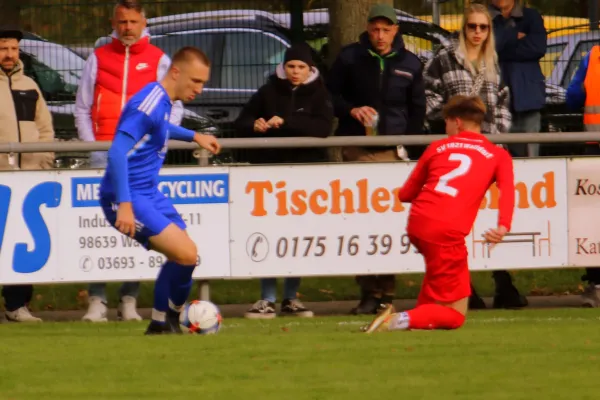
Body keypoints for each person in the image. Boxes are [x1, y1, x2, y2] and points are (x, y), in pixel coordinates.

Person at [363, 94, 515, 333]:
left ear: (457, 122)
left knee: (439, 288)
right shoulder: (497, 155)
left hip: (419, 222)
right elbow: (508, 192)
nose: (446, 127)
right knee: (455, 316)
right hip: (446, 231)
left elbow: (405, 194)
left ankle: (416, 322)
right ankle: (397, 320)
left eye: (446, 122)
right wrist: (503, 226)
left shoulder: (437, 147)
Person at [76, 0, 184, 323]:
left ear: (143, 22)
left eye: (133, 22)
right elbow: (82, 107)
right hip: (104, 155)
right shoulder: (96, 58)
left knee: (138, 224)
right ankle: (96, 299)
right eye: (122, 22)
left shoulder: (159, 60)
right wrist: (93, 146)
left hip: (140, 160)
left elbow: (173, 106)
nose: (127, 28)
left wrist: (155, 142)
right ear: (113, 22)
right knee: (100, 226)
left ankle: (129, 298)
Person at [99, 46, 220, 335]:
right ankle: (174, 320)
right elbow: (116, 152)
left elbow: (160, 128)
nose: (200, 90)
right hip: (126, 194)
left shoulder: (162, 101)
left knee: (184, 256)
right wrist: (125, 204)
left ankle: (159, 323)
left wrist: (194, 136)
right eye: (196, 81)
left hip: (148, 192)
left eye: (203, 83)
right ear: (175, 72)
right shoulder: (150, 102)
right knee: (187, 254)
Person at [424, 3, 526, 310]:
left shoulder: (494, 61)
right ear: (463, 28)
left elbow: (505, 102)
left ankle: (502, 280)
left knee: (494, 216)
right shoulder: (443, 59)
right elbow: (429, 97)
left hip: (490, 151)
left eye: (483, 27)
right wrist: (455, 128)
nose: (478, 33)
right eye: (472, 27)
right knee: (458, 221)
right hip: (458, 156)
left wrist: (495, 135)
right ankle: (464, 284)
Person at [326, 3, 426, 315]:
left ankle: (387, 293)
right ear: (368, 29)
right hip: (357, 148)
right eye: (374, 29)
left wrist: (408, 146)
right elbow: (330, 96)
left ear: (396, 30)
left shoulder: (411, 63)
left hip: (393, 154)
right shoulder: (349, 57)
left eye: (386, 29)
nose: (379, 35)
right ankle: (369, 291)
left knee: (389, 223)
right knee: (362, 223)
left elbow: (418, 108)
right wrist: (350, 110)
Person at [234, 42, 333, 319]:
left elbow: (323, 127)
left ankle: (291, 296)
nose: (295, 72)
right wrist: (254, 125)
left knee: (296, 235)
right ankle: (267, 297)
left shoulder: (320, 93)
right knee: (268, 233)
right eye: (291, 66)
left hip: (303, 176)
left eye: (301, 67)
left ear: (310, 69)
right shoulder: (267, 91)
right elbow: (242, 121)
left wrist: (284, 123)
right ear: (283, 67)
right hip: (269, 176)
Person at [0, 26, 55, 323]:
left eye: (12, 49)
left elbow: (45, 129)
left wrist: (43, 164)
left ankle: (17, 305)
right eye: (3, 49)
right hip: (1, 179)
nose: (8, 55)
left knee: (21, 240)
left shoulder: (30, 86)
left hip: (27, 178)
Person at [489, 0, 547, 158]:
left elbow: (538, 47)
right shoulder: (483, 17)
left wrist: (501, 51)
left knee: (530, 157)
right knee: (497, 156)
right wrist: (515, 35)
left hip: (528, 99)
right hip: (494, 101)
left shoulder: (532, 17)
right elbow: (489, 47)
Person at [565, 45, 600, 307]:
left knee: (593, 218)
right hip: (593, 145)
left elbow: (573, 96)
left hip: (594, 145)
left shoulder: (592, 56)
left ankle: (596, 283)